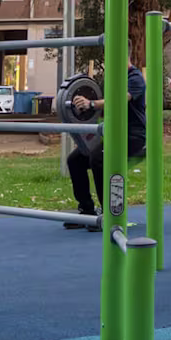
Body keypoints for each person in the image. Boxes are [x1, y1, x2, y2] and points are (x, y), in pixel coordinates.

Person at [62, 65, 147, 230]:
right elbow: (103, 104)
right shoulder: (113, 78)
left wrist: (91, 104)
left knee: (98, 160)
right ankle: (87, 211)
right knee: (75, 160)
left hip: (133, 137)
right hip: (114, 135)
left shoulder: (135, 78)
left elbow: (121, 99)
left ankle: (110, 214)